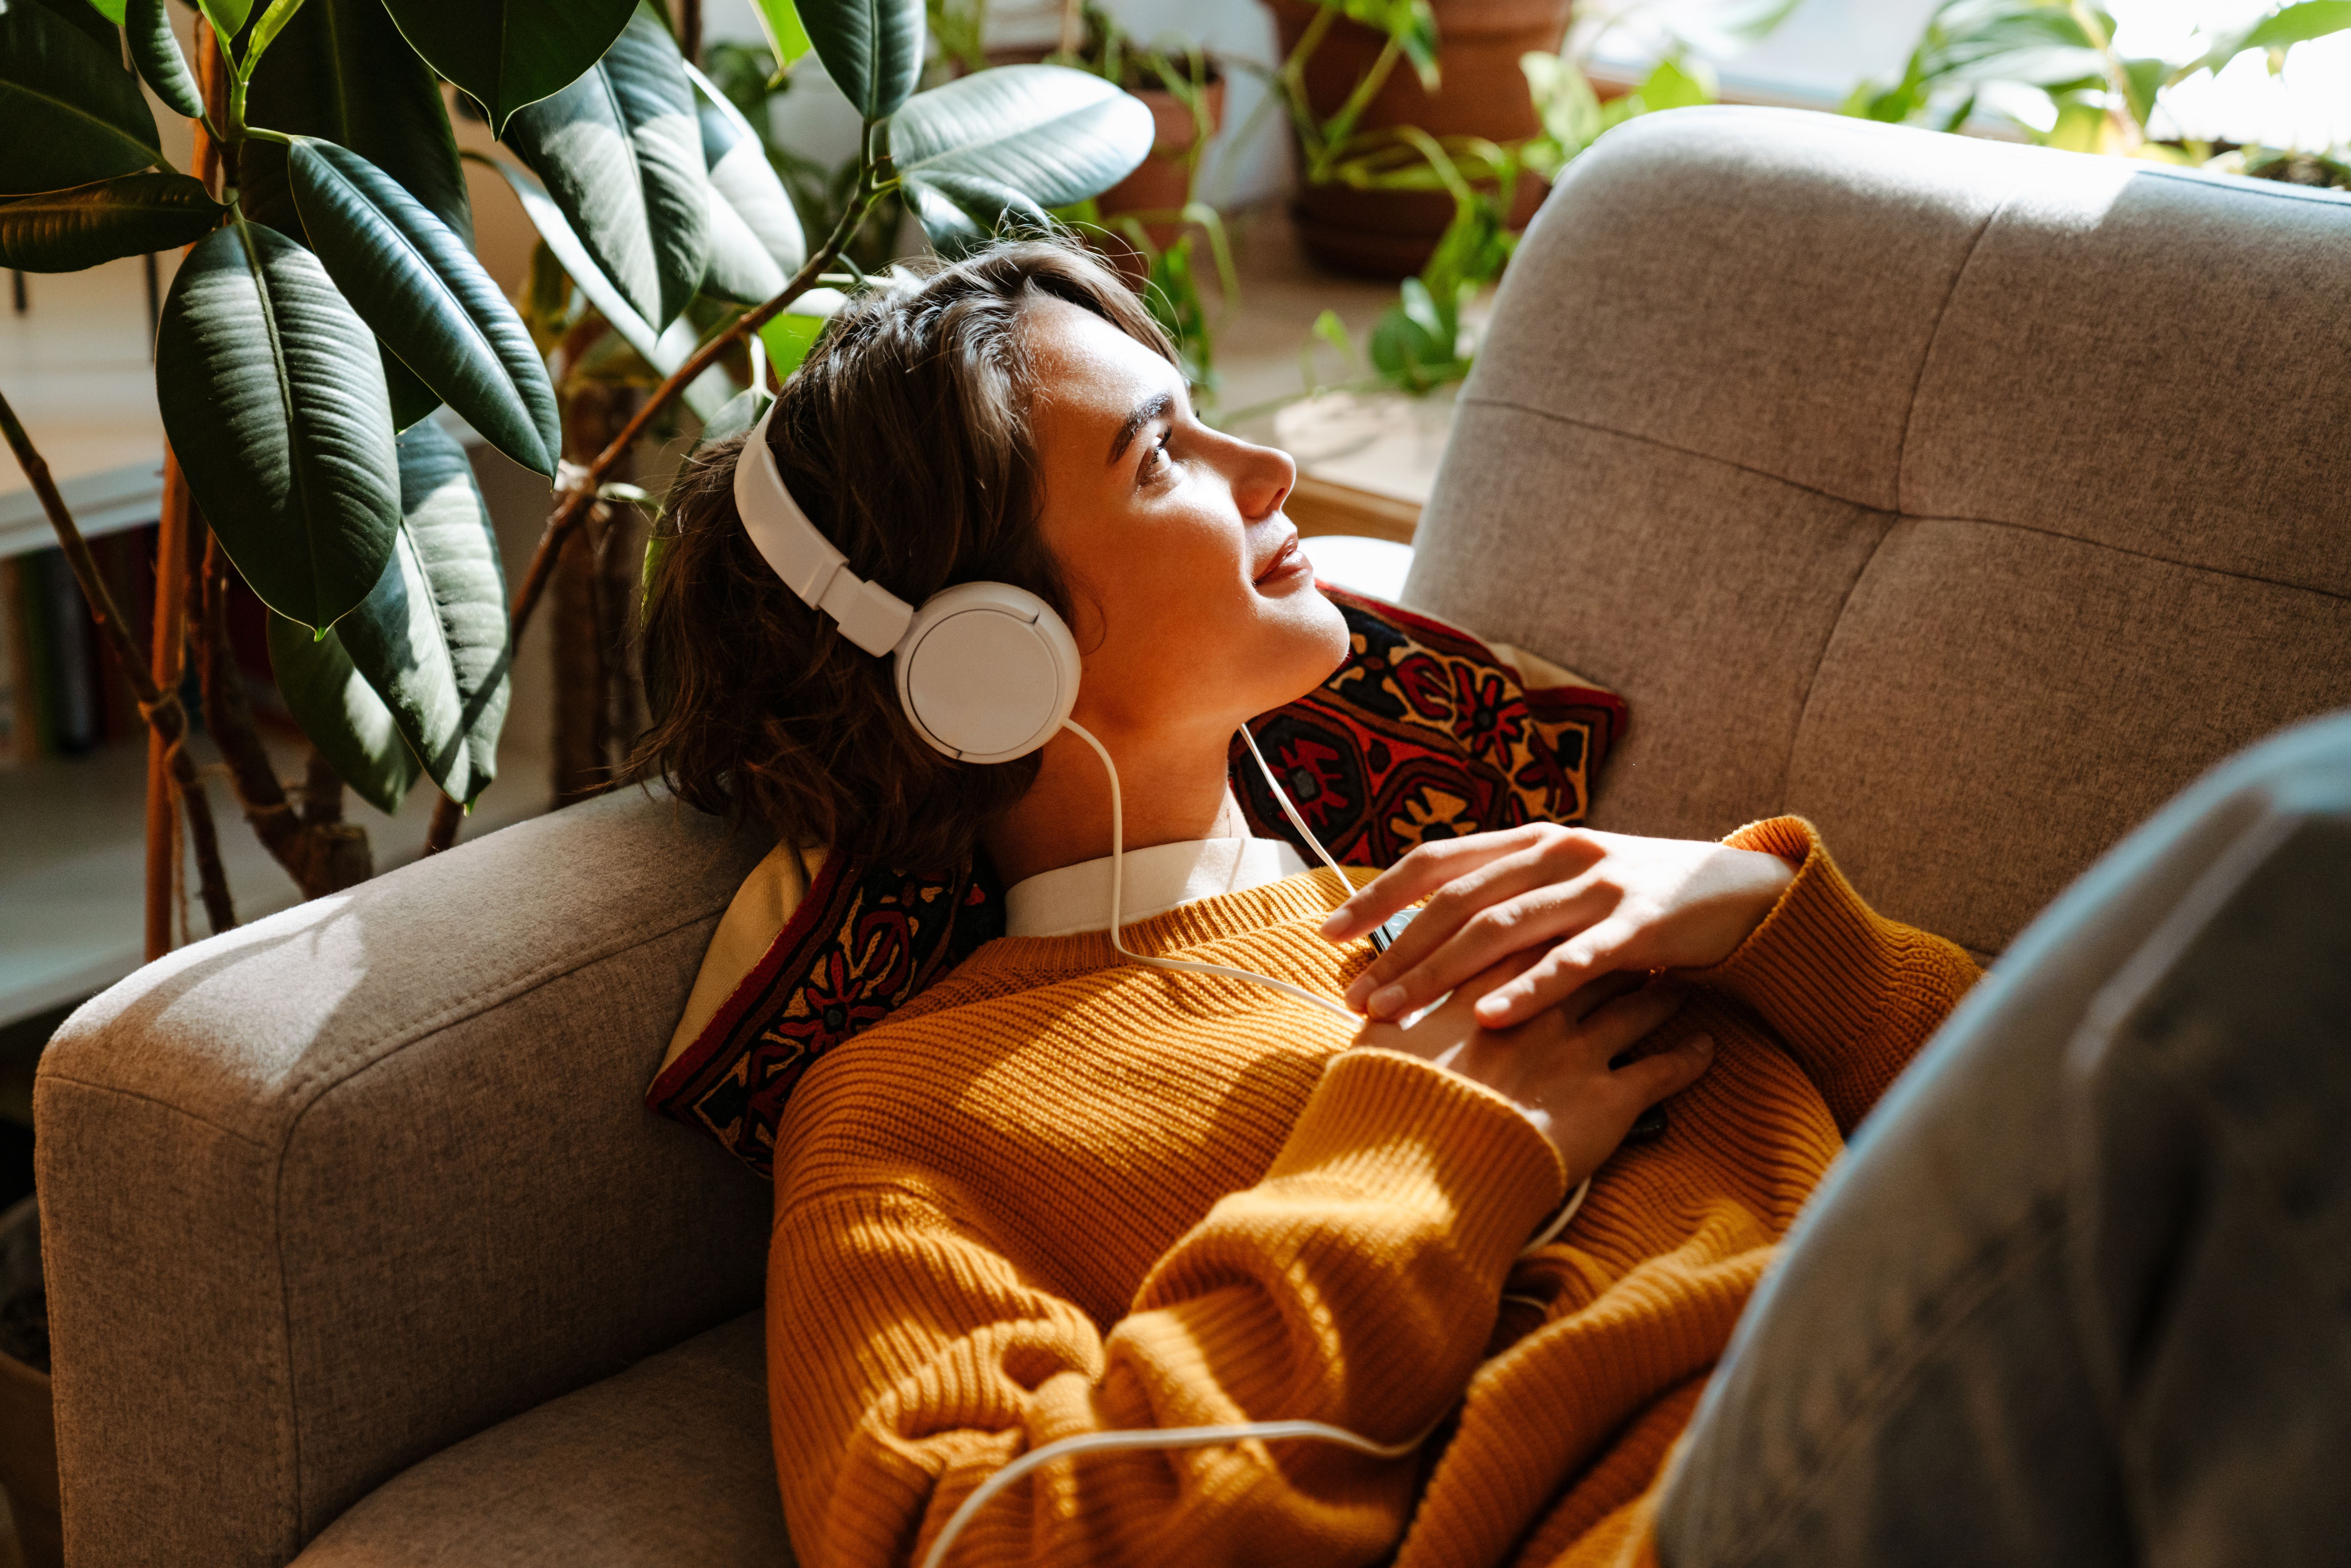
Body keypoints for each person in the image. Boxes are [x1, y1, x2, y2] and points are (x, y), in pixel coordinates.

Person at [635, 240, 2344, 1568]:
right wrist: (1433, 1152)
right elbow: (993, 1540)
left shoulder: (1484, 891)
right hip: (1699, 1519)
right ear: (990, 662)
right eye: (1163, 458)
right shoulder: (902, 1119)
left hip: (1997, 1414)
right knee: (2301, 844)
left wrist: (1755, 908)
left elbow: (2101, 1143)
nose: (1269, 468)